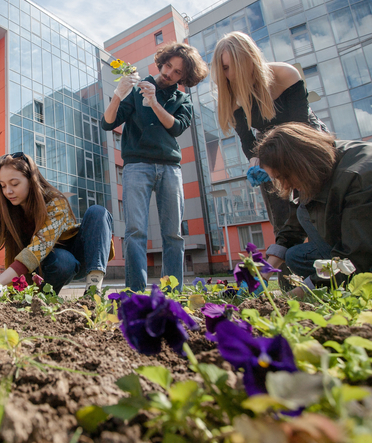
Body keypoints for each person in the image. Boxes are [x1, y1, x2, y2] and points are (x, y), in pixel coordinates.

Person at [211, 31, 327, 290]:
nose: (231, 74)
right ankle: (289, 288)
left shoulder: (285, 75)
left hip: (305, 143)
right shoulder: (234, 97)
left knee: (316, 211)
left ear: (251, 58)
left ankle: (326, 276)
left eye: (236, 64)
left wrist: (277, 163)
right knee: (283, 219)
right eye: (226, 68)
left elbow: (299, 128)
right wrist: (256, 162)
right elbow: (247, 141)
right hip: (270, 152)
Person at [102, 43, 209, 292]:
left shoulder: (182, 100)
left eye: (177, 72)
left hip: (170, 168)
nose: (169, 73)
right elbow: (108, 124)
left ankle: (172, 294)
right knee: (135, 231)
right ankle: (136, 292)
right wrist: (119, 94)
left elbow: (176, 127)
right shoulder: (138, 88)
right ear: (161, 62)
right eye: (168, 65)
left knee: (173, 234)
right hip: (136, 165)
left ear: (184, 77)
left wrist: (153, 101)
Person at [0, 152, 114, 294]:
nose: (8, 191)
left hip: (77, 256)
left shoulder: (55, 202)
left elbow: (40, 246)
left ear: (31, 180)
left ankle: (94, 290)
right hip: (48, 266)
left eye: (14, 184)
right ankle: (45, 297)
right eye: (3, 186)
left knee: (98, 212)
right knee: (62, 260)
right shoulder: (6, 209)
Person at [256, 122, 372, 294]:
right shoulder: (315, 171)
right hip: (352, 247)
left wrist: (297, 294)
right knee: (295, 256)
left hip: (363, 253)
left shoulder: (358, 176)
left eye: (283, 177)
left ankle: (343, 284)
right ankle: (335, 283)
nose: (285, 185)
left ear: (300, 161)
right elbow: (293, 227)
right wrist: (264, 272)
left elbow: (357, 255)